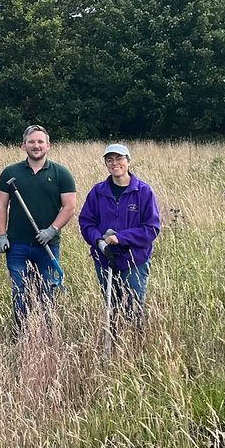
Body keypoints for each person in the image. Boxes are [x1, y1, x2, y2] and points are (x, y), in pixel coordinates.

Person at [0, 124, 77, 332]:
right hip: (17, 245)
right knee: (20, 292)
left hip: (47, 246)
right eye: (31, 141)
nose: (36, 145)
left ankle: (45, 334)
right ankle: (22, 333)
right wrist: (1, 235)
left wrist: (52, 230)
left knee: (46, 292)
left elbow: (69, 207)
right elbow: (1, 204)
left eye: (40, 142)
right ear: (23, 145)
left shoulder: (61, 173)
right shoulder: (10, 173)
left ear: (48, 145)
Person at [78, 143, 161, 335]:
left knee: (133, 308)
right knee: (112, 308)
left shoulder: (143, 192)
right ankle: (115, 345)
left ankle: (134, 347)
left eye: (119, 158)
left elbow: (151, 229)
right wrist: (98, 240)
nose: (115, 163)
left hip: (134, 261)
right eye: (110, 159)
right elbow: (86, 222)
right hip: (104, 259)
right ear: (106, 164)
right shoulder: (98, 192)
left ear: (128, 161)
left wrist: (120, 238)